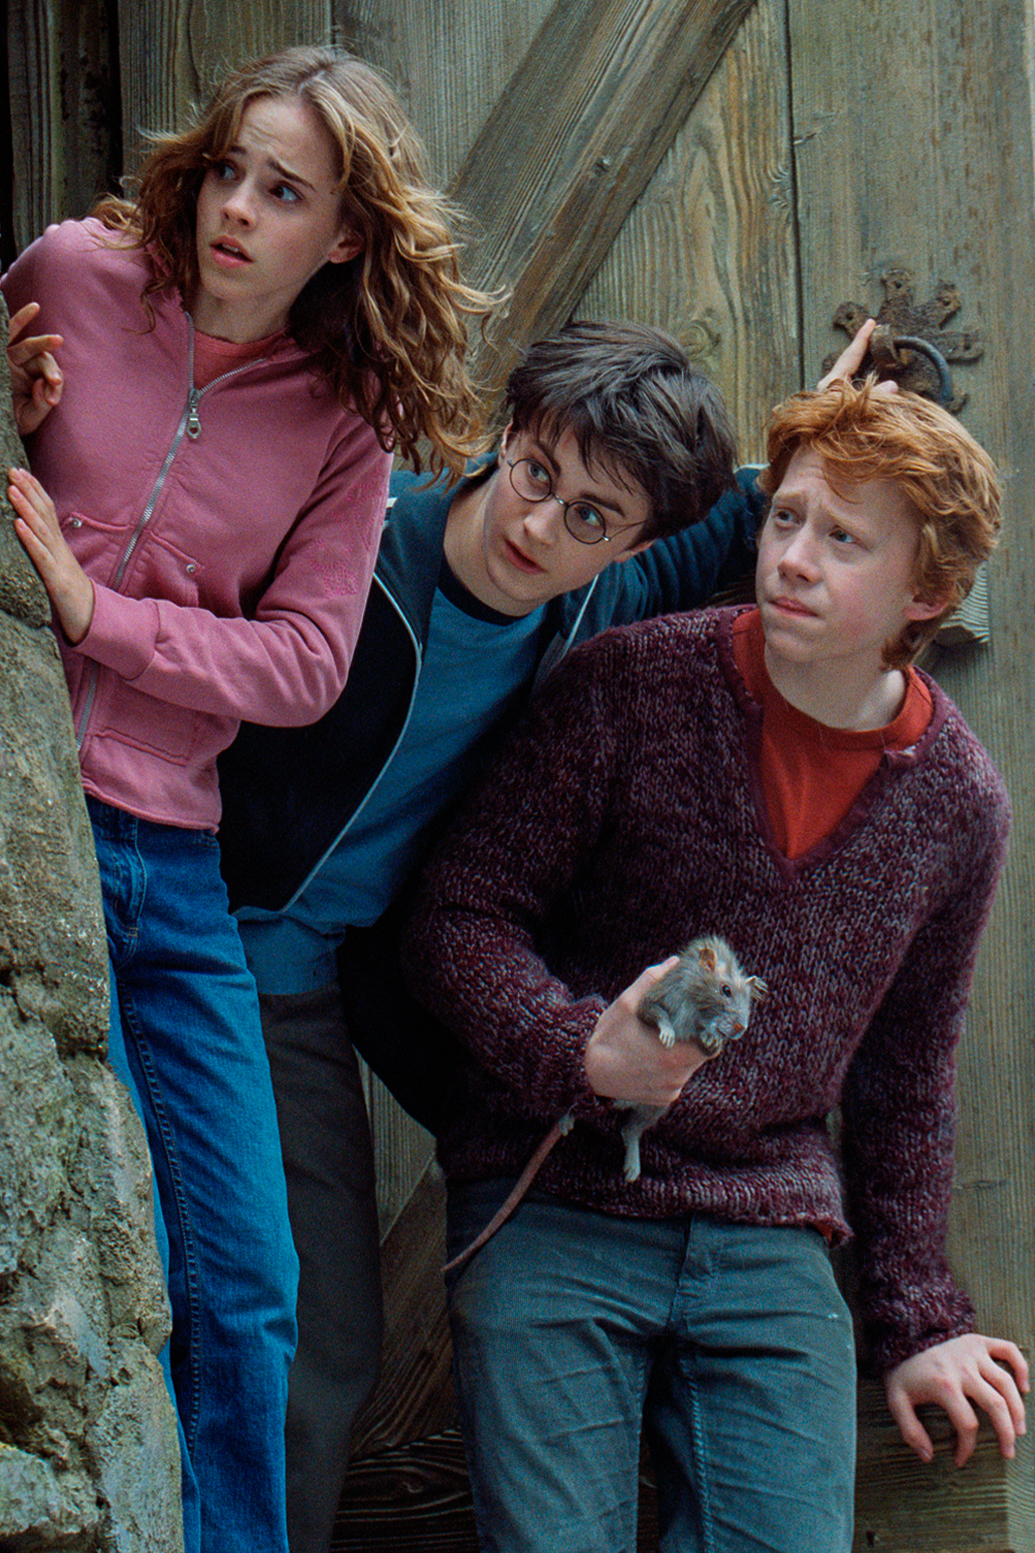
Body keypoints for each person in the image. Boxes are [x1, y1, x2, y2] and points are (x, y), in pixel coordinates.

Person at [401, 374, 1028, 1552]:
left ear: (927, 592)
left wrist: (917, 1316)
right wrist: (575, 1048)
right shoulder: (628, 687)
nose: (793, 554)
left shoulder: (959, 802)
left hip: (769, 1229)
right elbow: (457, 915)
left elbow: (908, 1072)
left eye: (844, 539)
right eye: (786, 516)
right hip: (556, 1200)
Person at [2, 43, 490, 1553]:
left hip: (171, 860)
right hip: (31, 830)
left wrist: (100, 612)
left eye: (285, 194)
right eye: (230, 170)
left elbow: (299, 667)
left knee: (250, 1277)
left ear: (342, 235)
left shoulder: (341, 423)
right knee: (87, 1232)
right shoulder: (74, 274)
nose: (235, 212)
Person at [215, 318, 767, 1553]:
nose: (541, 527)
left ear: (632, 540)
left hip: (315, 989)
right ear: (503, 436)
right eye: (537, 476)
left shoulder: (600, 595)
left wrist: (839, 442)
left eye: (591, 518)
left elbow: (741, 521)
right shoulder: (351, 547)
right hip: (200, 938)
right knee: (255, 1312)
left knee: (331, 1341)